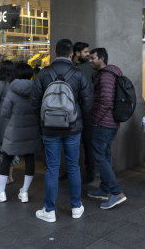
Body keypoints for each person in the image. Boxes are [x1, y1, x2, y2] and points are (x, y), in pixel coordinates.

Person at [30, 39, 93, 223]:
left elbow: (34, 102)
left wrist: (44, 119)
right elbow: (88, 103)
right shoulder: (78, 74)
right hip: (73, 128)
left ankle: (49, 210)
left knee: (52, 168)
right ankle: (75, 207)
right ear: (72, 54)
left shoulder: (43, 73)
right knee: (73, 166)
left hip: (49, 128)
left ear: (55, 53)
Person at [0, 63, 39, 203]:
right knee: (30, 159)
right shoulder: (36, 90)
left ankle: (1, 192)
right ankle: (24, 192)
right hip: (31, 129)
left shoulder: (12, 89)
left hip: (15, 129)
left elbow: (4, 113)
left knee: (6, 158)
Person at [87, 47, 127, 209]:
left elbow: (106, 102)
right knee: (105, 153)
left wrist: (95, 120)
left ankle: (116, 192)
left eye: (93, 58)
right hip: (109, 122)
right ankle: (105, 188)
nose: (90, 61)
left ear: (102, 59)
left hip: (105, 123)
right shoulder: (110, 74)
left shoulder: (106, 77)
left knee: (99, 154)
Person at [73, 41, 96, 183]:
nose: (88, 55)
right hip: (71, 111)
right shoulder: (69, 66)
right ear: (77, 53)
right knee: (71, 143)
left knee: (88, 143)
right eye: (86, 52)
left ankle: (90, 173)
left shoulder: (90, 68)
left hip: (87, 112)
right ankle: (71, 172)